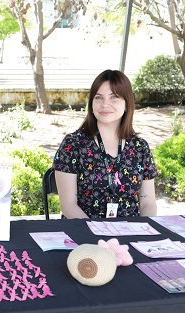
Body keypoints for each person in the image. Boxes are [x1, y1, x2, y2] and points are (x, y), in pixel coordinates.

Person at [53, 69, 158, 219]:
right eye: (98, 98)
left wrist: (143, 228)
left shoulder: (140, 148)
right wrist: (98, 232)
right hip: (83, 229)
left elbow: (148, 203)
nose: (105, 104)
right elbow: (68, 205)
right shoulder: (73, 145)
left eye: (114, 97)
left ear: (127, 104)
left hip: (130, 229)